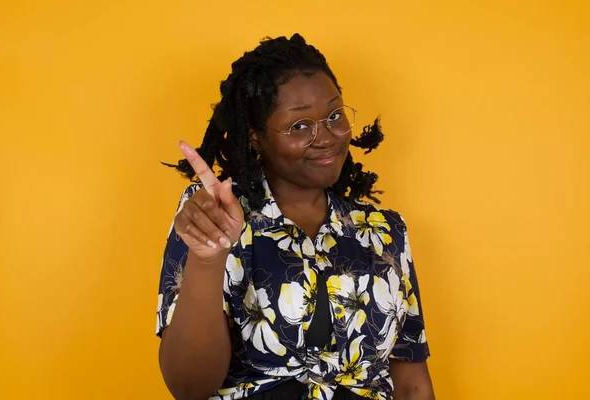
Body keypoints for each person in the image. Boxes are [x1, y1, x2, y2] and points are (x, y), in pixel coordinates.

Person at [155, 34, 434, 400]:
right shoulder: (213, 213)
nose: (328, 138)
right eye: (299, 126)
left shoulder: (384, 232)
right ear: (256, 137)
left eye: (335, 116)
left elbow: (413, 383)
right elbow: (189, 388)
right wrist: (209, 260)